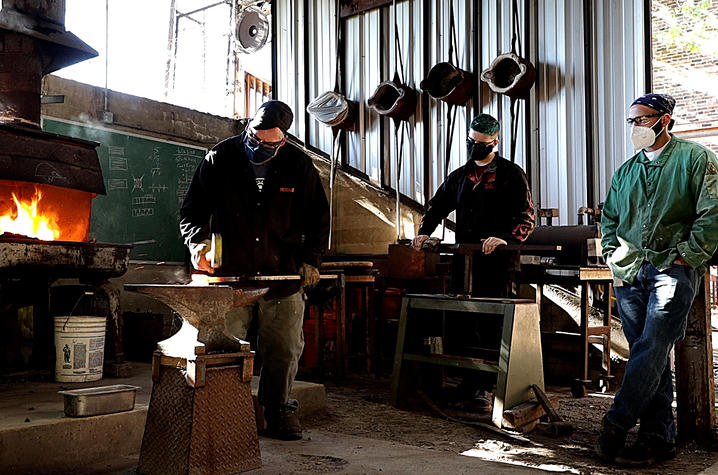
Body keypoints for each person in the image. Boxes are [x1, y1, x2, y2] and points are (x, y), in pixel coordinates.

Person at [179, 100, 330, 441]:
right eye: (253, 138)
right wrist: (198, 243)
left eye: (268, 143)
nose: (258, 147)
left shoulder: (300, 166)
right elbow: (192, 212)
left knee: (284, 348)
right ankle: (226, 413)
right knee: (226, 348)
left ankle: (277, 411)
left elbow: (319, 219)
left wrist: (311, 259)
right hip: (231, 276)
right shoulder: (220, 158)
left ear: (284, 141)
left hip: (282, 276)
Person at [597, 93, 718, 466]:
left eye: (642, 119)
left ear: (664, 120)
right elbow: (610, 220)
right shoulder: (627, 171)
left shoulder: (696, 159)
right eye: (631, 121)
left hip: (672, 268)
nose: (635, 128)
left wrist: (689, 255)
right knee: (649, 354)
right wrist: (611, 255)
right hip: (630, 270)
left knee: (651, 346)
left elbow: (712, 211)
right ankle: (658, 438)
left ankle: (616, 422)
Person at [411, 113, 535, 297]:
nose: (473, 147)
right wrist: (424, 233)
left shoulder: (512, 175)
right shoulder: (459, 177)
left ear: (494, 143)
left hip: (499, 265)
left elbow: (527, 219)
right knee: (464, 319)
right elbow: (437, 207)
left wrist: (505, 239)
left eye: (480, 144)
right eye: (471, 140)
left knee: (495, 320)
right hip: (464, 264)